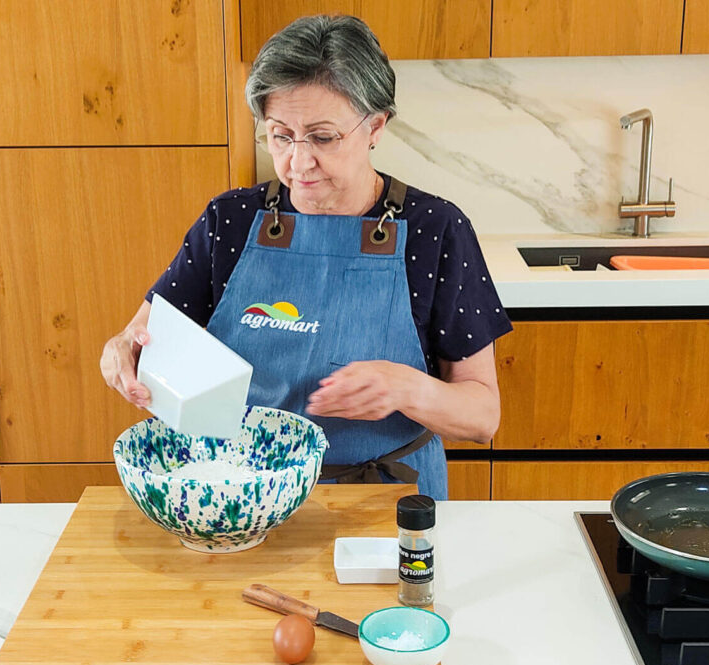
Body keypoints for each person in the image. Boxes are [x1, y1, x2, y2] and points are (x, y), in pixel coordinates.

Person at [100, 14, 511, 501]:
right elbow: (140, 337)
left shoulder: (434, 230)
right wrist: (123, 352)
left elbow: (483, 416)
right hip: (245, 499)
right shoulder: (230, 220)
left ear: (375, 126)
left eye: (322, 137)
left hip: (384, 504)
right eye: (280, 135)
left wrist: (407, 389)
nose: (298, 162)